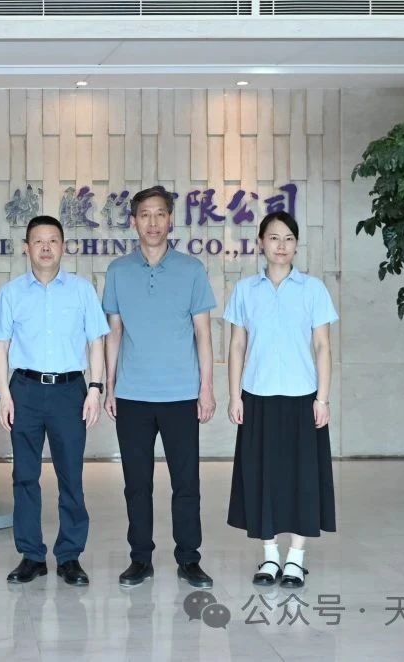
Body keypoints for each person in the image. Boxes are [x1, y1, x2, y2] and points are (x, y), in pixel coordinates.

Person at [103, 185, 217, 589]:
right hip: (132, 395)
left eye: (160, 214)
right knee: (137, 484)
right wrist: (109, 386)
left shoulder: (192, 270)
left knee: (186, 483)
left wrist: (206, 388)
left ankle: (189, 559)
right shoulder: (118, 271)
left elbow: (203, 334)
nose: (152, 222)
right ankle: (140, 559)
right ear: (133, 222)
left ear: (171, 220)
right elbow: (113, 333)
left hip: (181, 394)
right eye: (144, 215)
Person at [0, 215, 109, 586]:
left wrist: (95, 389)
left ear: (63, 246)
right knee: (25, 476)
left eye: (53, 240)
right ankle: (31, 555)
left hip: (69, 391)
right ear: (26, 247)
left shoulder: (82, 290)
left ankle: (70, 556)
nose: (46, 247)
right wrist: (5, 394)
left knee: (71, 476)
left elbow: (97, 342)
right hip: (25, 390)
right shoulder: (12, 293)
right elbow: (1, 346)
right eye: (38, 241)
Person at [226, 211, 338, 589]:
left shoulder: (313, 289)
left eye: (289, 238)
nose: (282, 245)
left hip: (302, 398)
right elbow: (237, 346)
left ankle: (296, 559)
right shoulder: (246, 290)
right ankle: (270, 555)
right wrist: (235, 396)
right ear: (261, 242)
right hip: (257, 397)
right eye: (274, 238)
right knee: (262, 477)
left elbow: (322, 346)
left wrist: (323, 398)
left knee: (303, 478)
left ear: (296, 245)